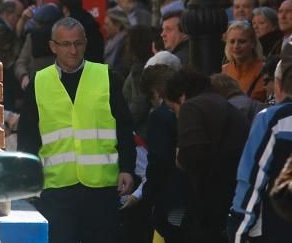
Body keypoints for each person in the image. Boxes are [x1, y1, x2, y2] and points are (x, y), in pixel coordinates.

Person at [18, 18, 136, 243]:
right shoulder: (39, 82)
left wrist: (127, 168)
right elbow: (28, 136)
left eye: (78, 43)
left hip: (101, 187)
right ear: (53, 47)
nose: (73, 50)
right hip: (56, 188)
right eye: (66, 44)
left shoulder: (106, 77)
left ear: (86, 43)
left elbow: (124, 127)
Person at [164, 68, 249, 242]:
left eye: (173, 109)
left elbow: (192, 154)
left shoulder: (191, 107)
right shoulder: (225, 105)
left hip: (208, 201)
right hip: (234, 197)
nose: (176, 115)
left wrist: (179, 158)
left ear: (181, 96)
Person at [229, 53, 292, 242]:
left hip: (276, 230)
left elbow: (253, 180)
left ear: (279, 83)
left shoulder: (273, 120)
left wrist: (238, 231)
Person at [140, 64, 187, 243]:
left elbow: (158, 161)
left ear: (155, 92)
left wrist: (148, 194)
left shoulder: (159, 117)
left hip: (171, 199)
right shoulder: (190, 109)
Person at [222, 21, 266, 102]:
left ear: (252, 43)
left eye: (242, 41)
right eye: (232, 41)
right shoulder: (224, 71)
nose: (236, 46)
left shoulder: (265, 70)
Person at [104, 8, 129, 77]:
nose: (104, 27)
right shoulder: (108, 42)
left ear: (118, 25)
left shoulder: (126, 42)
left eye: (107, 24)